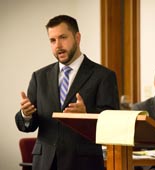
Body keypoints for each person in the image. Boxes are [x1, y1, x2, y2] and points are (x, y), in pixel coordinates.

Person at [15, 15, 120, 170]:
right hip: (45, 162)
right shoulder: (39, 77)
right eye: (52, 40)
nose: (58, 45)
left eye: (63, 37)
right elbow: (27, 126)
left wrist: (87, 115)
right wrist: (26, 114)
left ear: (77, 38)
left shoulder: (103, 76)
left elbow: (113, 121)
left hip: (83, 163)